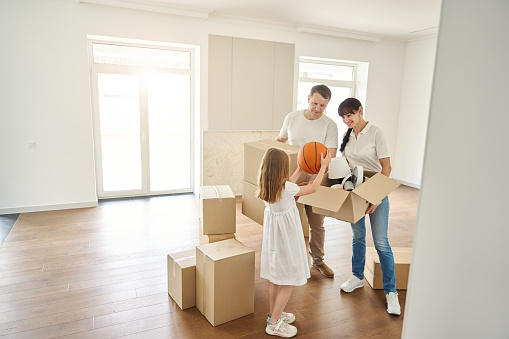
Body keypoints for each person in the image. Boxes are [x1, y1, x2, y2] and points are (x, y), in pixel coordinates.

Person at [257, 148, 331, 337]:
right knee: (287, 280)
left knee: (275, 278)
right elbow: (313, 188)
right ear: (282, 168)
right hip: (287, 240)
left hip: (274, 241)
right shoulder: (288, 189)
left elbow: (287, 184)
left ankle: (274, 314)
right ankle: (274, 324)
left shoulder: (267, 186)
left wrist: (300, 168)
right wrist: (324, 167)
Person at [337, 97, 401, 315]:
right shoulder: (347, 135)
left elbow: (387, 167)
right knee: (357, 237)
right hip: (356, 193)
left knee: (381, 242)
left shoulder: (376, 133)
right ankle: (356, 276)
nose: (347, 120)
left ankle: (391, 292)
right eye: (344, 117)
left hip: (376, 193)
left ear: (360, 110)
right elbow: (347, 166)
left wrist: (376, 197)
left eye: (350, 115)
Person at [276, 84, 338, 278]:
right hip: (291, 177)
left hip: (316, 179)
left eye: (322, 105)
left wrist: (313, 182)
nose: (317, 108)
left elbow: (331, 157)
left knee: (317, 223)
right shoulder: (292, 117)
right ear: (308, 97)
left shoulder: (330, 125)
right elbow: (280, 141)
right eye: (314, 103)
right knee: (287, 221)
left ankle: (318, 261)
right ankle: (287, 260)